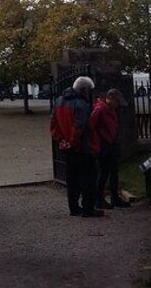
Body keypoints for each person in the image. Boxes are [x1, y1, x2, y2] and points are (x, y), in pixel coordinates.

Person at [50, 76, 102, 217]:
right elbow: (79, 126)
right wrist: (72, 142)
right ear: (84, 89)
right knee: (88, 179)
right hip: (82, 148)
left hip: (67, 148)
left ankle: (73, 208)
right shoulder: (81, 104)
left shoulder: (59, 101)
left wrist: (61, 140)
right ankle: (88, 209)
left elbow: (53, 124)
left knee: (72, 179)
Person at [90, 88, 131, 209]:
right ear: (111, 98)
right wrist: (99, 141)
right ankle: (99, 198)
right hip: (104, 145)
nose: (118, 105)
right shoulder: (100, 109)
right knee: (104, 172)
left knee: (113, 171)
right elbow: (91, 126)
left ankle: (114, 197)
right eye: (117, 101)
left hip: (111, 143)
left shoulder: (110, 110)